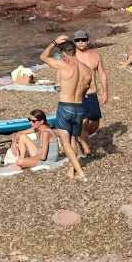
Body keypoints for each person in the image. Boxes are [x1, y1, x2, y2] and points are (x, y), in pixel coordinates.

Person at [38, 37, 89, 179]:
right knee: (73, 140)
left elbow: (43, 56)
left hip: (66, 107)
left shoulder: (64, 66)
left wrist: (53, 42)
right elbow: (86, 90)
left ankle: (80, 173)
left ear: (64, 54)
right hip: (79, 107)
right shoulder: (87, 70)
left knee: (65, 143)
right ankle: (71, 171)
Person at [72, 31, 110, 156]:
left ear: (88, 41)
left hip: (92, 94)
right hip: (78, 94)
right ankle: (86, 148)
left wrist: (105, 93)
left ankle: (80, 137)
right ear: (75, 42)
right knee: (84, 121)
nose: (81, 42)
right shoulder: (72, 57)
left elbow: (102, 74)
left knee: (94, 123)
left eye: (83, 40)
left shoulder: (96, 55)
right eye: (78, 40)